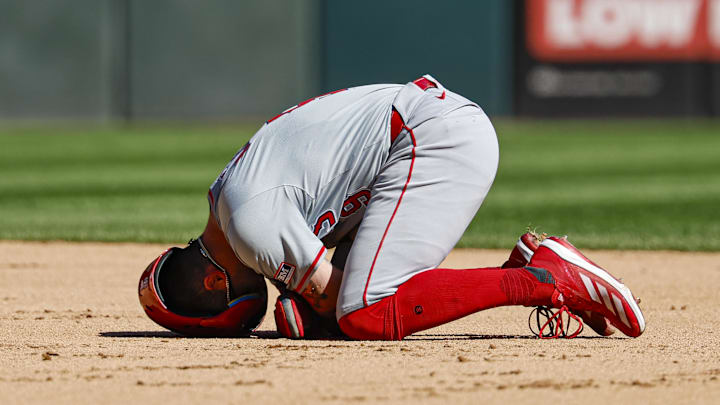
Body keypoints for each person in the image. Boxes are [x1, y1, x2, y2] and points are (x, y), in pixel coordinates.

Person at [138, 75, 645, 340]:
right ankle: (521, 267)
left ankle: (548, 279)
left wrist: (316, 317)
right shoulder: (228, 200)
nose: (252, 321)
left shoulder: (250, 223)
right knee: (356, 301)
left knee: (365, 314)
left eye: (240, 321)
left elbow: (335, 301)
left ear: (213, 283)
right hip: (423, 131)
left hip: (432, 139)